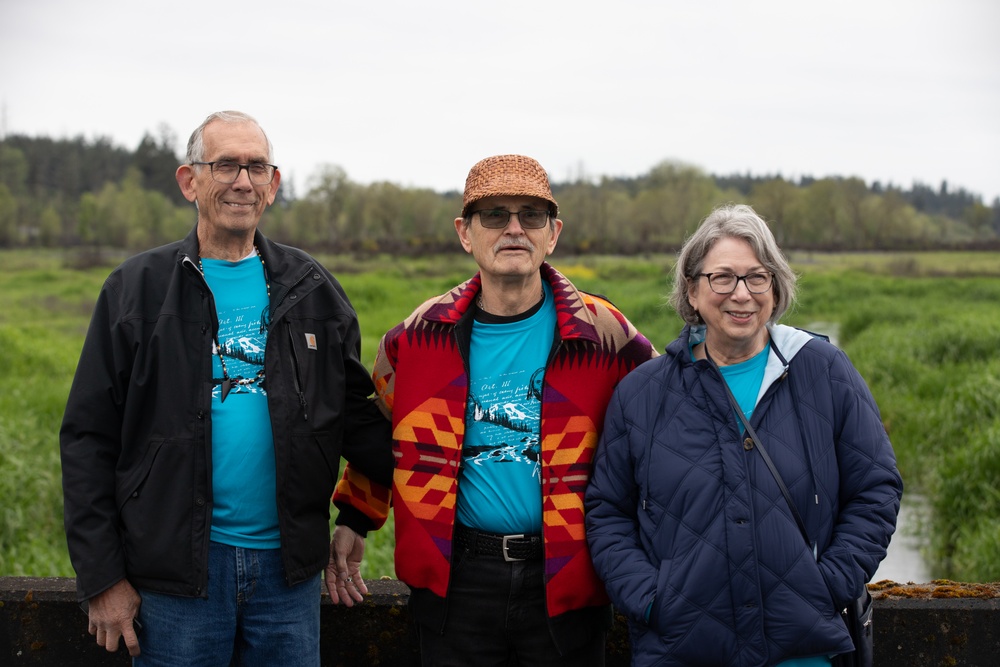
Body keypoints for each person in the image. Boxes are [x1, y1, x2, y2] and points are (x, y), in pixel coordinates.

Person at [59, 110, 393, 665]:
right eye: (226, 165)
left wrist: (359, 515)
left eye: (256, 167)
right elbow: (88, 439)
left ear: (273, 184)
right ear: (190, 181)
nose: (242, 181)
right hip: (177, 579)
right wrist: (101, 578)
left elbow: (359, 420)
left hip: (287, 578)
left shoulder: (312, 289)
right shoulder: (135, 290)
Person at [331, 154, 657, 665]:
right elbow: (386, 430)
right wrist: (355, 516)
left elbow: (663, 424)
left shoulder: (606, 333)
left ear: (553, 234)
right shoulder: (416, 337)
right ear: (465, 232)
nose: (514, 229)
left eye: (531, 215)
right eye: (495, 215)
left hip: (568, 577)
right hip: (455, 581)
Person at [585, 203, 903, 666]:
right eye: (722, 278)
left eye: (758, 277)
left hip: (803, 653)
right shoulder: (642, 393)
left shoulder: (822, 371)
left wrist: (827, 585)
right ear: (692, 291)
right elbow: (607, 511)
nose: (742, 294)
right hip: (681, 651)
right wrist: (652, 599)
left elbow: (876, 489)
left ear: (774, 289)